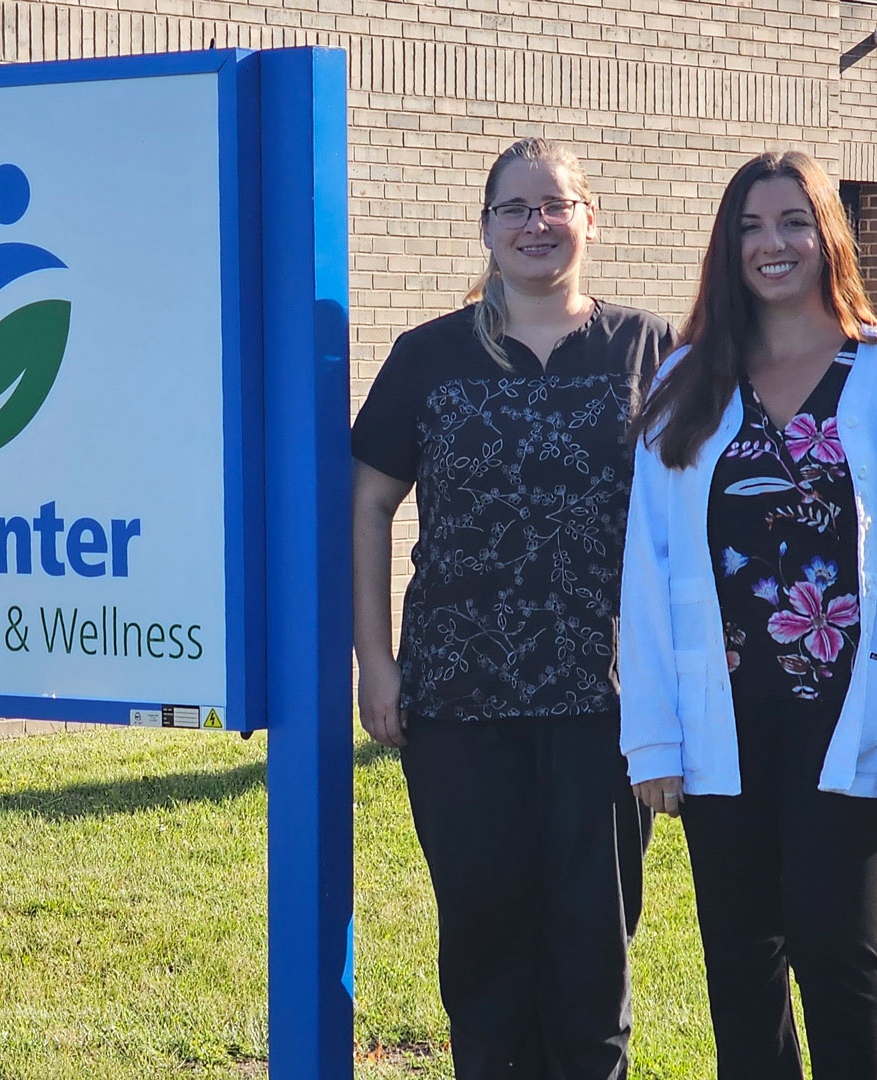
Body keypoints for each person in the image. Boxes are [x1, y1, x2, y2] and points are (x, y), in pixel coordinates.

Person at [620, 149, 877, 1080]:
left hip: (851, 715)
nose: (770, 244)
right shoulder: (686, 377)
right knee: (740, 965)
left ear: (828, 234)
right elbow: (648, 569)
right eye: (749, 227)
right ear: (726, 248)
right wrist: (652, 739)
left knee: (836, 954)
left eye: (791, 222)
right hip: (720, 717)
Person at [351, 138, 673, 1078]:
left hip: (605, 702)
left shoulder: (650, 350)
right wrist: (376, 662)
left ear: (589, 219)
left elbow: (695, 514)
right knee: (485, 959)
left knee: (592, 958)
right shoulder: (428, 356)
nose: (538, 224)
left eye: (555, 204)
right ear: (486, 229)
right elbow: (368, 503)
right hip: (458, 701)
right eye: (515, 209)